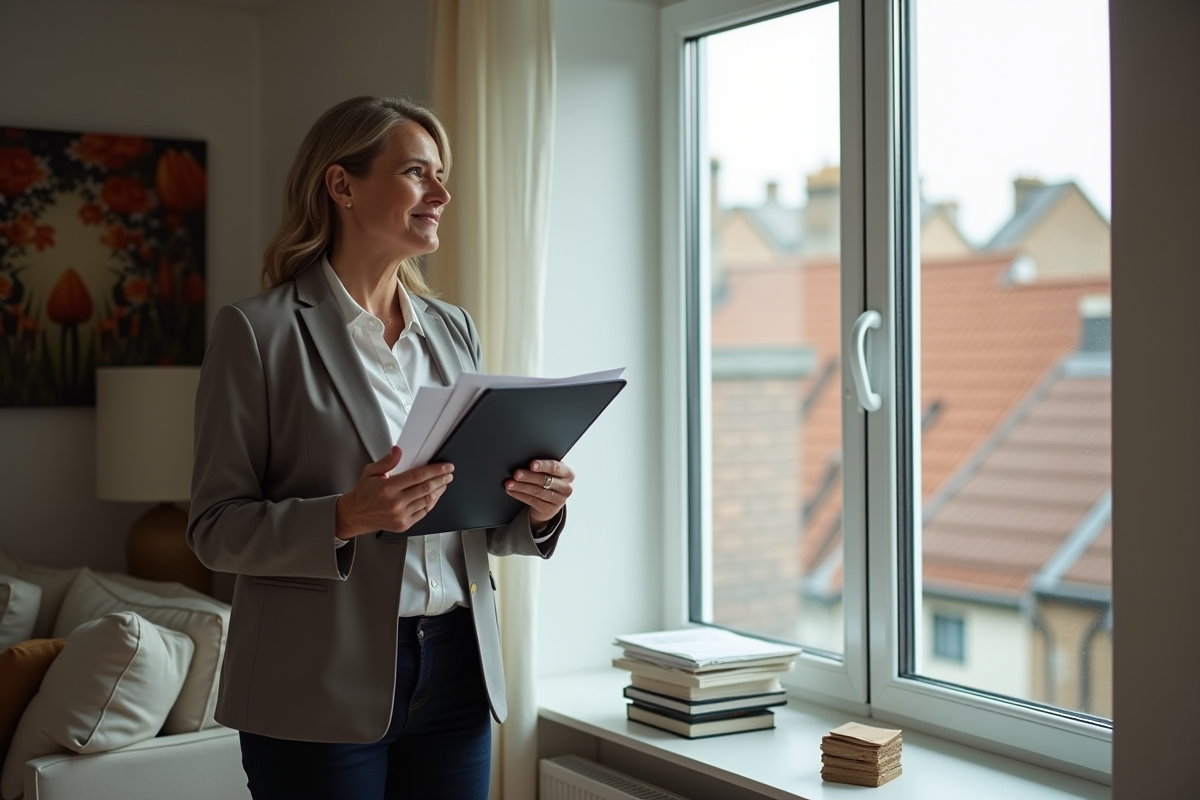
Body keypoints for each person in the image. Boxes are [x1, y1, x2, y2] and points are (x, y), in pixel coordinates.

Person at [187, 95, 574, 800]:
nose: (442, 193)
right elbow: (214, 529)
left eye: (442, 175)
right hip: (314, 679)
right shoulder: (256, 333)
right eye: (418, 173)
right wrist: (344, 516)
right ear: (342, 186)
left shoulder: (455, 330)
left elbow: (472, 509)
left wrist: (536, 509)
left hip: (459, 668)